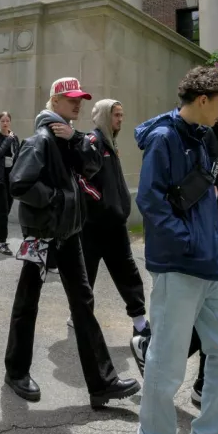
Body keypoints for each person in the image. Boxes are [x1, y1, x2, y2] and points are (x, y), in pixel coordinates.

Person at [5, 77, 140, 408]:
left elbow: (93, 166)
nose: (77, 104)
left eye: (80, 99)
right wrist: (58, 199)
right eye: (70, 99)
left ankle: (102, 383)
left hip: (69, 235)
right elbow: (19, 184)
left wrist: (77, 137)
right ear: (54, 101)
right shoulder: (39, 139)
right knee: (28, 302)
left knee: (83, 303)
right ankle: (16, 371)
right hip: (42, 234)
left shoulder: (68, 136)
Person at [135, 66, 218, 434]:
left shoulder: (202, 138)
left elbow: (205, 196)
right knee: (166, 367)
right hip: (179, 265)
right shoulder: (164, 138)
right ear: (203, 100)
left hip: (210, 264)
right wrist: (186, 241)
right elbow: (150, 200)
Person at [80, 99, 148, 340]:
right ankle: (79, 314)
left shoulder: (110, 143)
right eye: (116, 115)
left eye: (122, 115)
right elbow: (82, 180)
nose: (120, 119)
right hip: (94, 225)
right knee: (86, 272)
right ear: (104, 116)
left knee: (126, 270)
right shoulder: (93, 142)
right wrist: (102, 204)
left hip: (114, 225)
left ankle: (139, 322)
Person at [0, 112, 19, 256]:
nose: (5, 123)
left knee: (6, 210)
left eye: (7, 120)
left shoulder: (14, 137)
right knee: (2, 211)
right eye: (2, 121)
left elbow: (17, 155)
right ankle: (2, 243)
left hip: (11, 178)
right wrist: (8, 140)